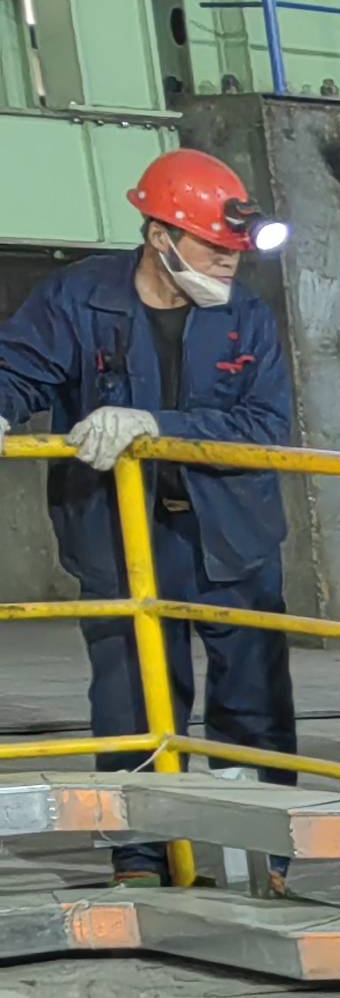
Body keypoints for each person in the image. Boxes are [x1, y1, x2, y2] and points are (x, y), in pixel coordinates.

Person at [0, 149, 296, 830]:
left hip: (231, 534)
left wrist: (156, 425)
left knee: (252, 701)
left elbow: (265, 423)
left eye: (234, 250)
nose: (229, 261)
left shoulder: (247, 316)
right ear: (160, 237)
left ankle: (260, 853)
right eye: (213, 247)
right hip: (117, 532)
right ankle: (141, 854)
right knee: (132, 701)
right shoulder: (79, 298)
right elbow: (17, 368)